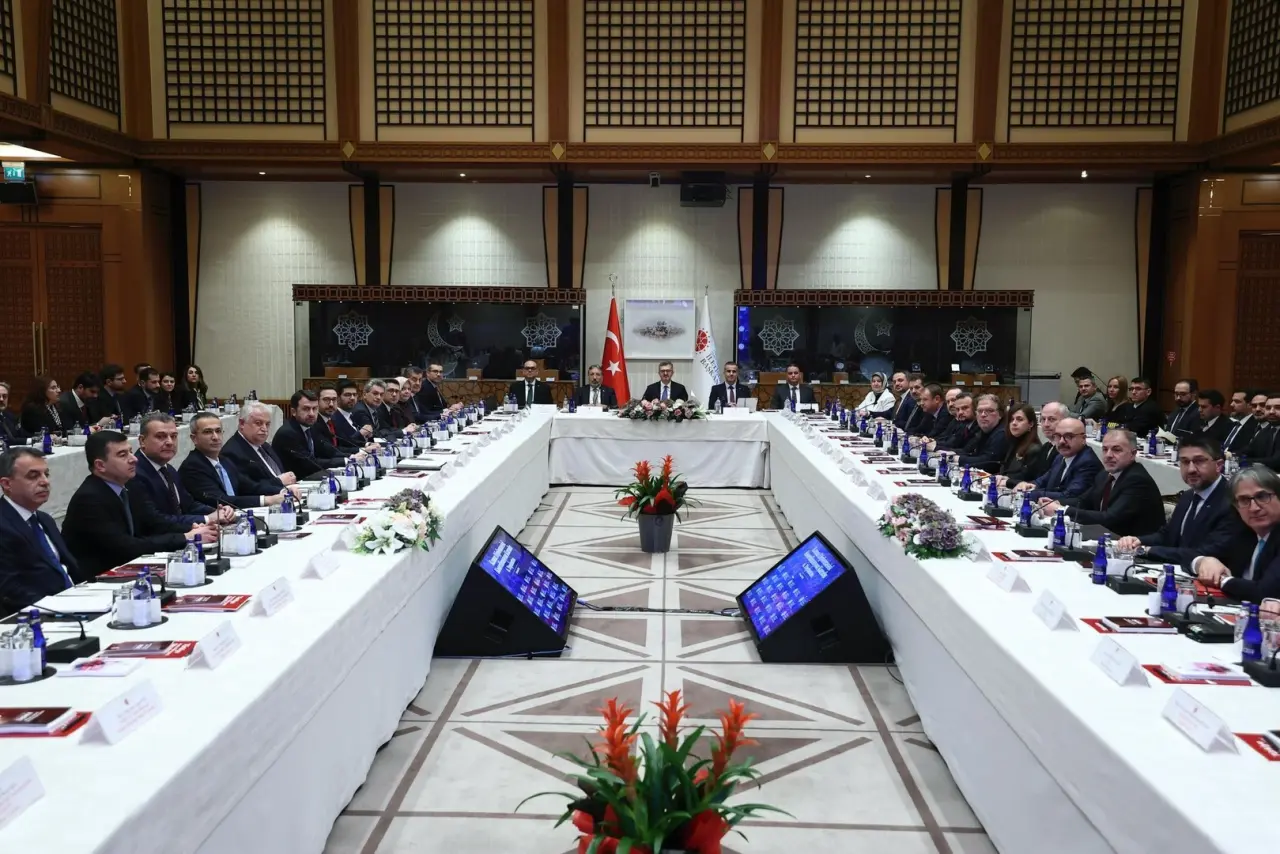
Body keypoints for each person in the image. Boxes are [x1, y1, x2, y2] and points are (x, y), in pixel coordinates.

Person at [61, 430, 213, 578]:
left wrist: (194, 529)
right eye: (123, 455)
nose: (134, 459)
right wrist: (185, 537)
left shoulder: (128, 485)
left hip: (127, 569)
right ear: (100, 465)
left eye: (131, 452)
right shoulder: (90, 499)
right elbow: (126, 547)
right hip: (97, 579)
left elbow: (153, 522)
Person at [1116, 436, 1248, 566]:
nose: (1191, 469)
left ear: (1219, 465)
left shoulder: (1232, 502)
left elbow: (1205, 554)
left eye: (1199, 461)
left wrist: (1145, 550)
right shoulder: (1188, 496)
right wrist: (1137, 541)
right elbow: (1168, 535)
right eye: (1185, 462)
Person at [0, 448, 81, 613]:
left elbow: (67, 568)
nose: (45, 482)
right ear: (7, 484)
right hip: (38, 613)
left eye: (46, 474)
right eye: (33, 476)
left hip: (75, 601)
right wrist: (60, 607)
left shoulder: (44, 519)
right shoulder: (3, 524)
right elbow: (9, 590)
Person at [1039, 429, 1164, 536]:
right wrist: (1055, 503)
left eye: (1116, 450)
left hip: (1135, 546)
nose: (1108, 455)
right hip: (1106, 537)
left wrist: (1062, 510)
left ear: (1133, 454)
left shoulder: (1137, 480)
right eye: (1105, 449)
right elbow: (1083, 501)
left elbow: (1110, 518)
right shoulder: (1104, 475)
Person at [1193, 466, 1280, 603]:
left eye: (1262, 497)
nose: (1254, 508)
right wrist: (1203, 561)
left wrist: (1223, 580)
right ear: (1236, 506)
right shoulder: (1243, 532)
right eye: (1244, 500)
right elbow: (1191, 553)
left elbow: (1265, 593)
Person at [131, 413, 233, 527]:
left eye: (173, 436)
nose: (170, 442)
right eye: (160, 436)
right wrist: (207, 518)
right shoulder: (134, 473)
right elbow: (154, 520)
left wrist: (219, 512)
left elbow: (189, 505)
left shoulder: (168, 469)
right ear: (142, 441)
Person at [179, 413, 294, 510]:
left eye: (218, 431)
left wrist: (284, 491)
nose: (215, 437)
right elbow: (222, 500)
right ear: (194, 438)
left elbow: (251, 487)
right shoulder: (193, 466)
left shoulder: (224, 461)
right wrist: (268, 500)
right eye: (208, 432)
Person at [1014, 417, 1102, 502]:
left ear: (1083, 439)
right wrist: (1027, 485)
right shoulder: (1060, 456)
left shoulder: (1088, 462)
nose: (1061, 441)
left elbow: (1069, 496)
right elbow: (1043, 480)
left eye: (1068, 436)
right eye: (1058, 436)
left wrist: (1031, 494)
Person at [221, 401, 296, 494]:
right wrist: (279, 481)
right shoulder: (232, 452)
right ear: (242, 423)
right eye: (258, 423)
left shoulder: (265, 445)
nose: (264, 429)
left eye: (267, 424)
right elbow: (247, 489)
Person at [273, 389, 346, 478]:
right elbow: (310, 464)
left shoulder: (312, 427)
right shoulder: (287, 434)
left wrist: (352, 457)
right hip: (295, 482)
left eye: (314, 409)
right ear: (293, 412)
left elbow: (329, 451)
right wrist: (345, 461)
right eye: (306, 409)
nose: (312, 414)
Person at [990, 403, 1044, 479]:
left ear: (1031, 424)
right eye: (1011, 419)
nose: (1014, 423)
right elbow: (1004, 471)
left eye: (1019, 419)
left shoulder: (1034, 450)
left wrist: (1005, 479)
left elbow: (1025, 478)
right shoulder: (1012, 443)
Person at [956, 394, 1008, 470]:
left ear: (1000, 414)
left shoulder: (1002, 433)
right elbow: (968, 451)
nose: (983, 415)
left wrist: (958, 459)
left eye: (989, 411)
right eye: (980, 411)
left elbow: (989, 462)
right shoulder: (982, 431)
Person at [317, 383, 366, 452]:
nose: (331, 404)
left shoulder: (331, 420)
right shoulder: (314, 423)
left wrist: (366, 445)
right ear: (317, 401)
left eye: (334, 399)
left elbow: (344, 442)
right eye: (326, 399)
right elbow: (329, 452)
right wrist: (360, 451)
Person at [1244, 394, 1280, 470]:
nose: (1271, 412)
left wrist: (1244, 461)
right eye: (1268, 408)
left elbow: (1276, 461)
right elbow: (1248, 451)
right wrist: (1229, 455)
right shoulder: (1266, 430)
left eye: (1278, 408)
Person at [1224, 389, 1263, 455]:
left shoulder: (1256, 426)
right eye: (1232, 401)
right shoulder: (1231, 423)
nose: (1231, 404)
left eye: (1237, 402)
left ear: (1249, 405)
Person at [333, 379, 369, 446]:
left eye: (354, 395)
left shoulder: (355, 415)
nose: (352, 398)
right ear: (338, 397)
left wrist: (368, 444)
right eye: (347, 395)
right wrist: (360, 434)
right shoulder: (334, 418)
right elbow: (343, 443)